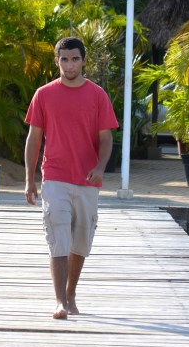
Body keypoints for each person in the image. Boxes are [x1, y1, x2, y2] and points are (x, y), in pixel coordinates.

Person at [24, 36, 118, 319]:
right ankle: (60, 301)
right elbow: (34, 138)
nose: (69, 64)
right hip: (55, 176)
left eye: (74, 58)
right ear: (57, 61)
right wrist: (30, 179)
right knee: (58, 233)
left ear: (83, 60)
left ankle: (72, 291)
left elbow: (106, 139)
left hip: (88, 179)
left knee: (80, 240)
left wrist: (101, 167)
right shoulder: (43, 94)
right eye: (64, 59)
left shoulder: (98, 95)